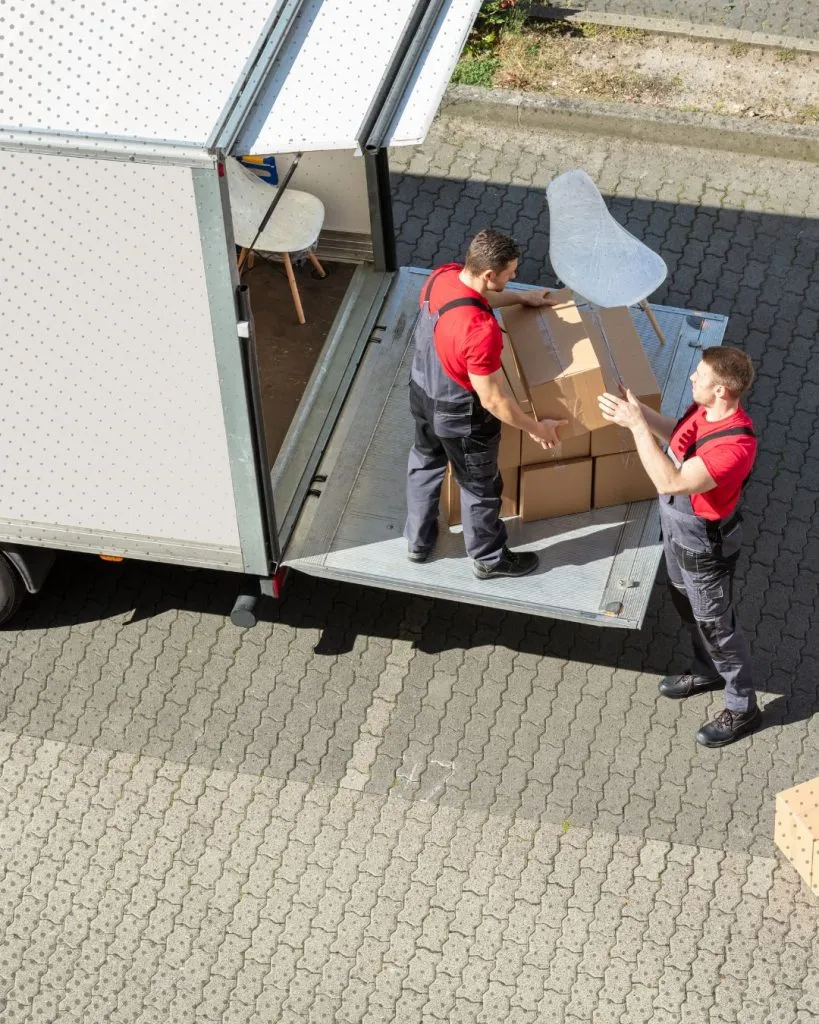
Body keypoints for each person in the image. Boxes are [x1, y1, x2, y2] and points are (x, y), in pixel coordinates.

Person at [597, 347, 759, 747]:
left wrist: (636, 428)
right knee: (685, 604)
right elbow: (678, 438)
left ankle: (742, 707)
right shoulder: (703, 411)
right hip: (677, 532)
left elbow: (671, 481)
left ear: (721, 389)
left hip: (704, 547)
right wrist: (639, 412)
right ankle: (706, 671)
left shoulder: (734, 447)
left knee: (717, 627)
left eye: (699, 375)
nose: (691, 378)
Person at [405, 229, 568, 579]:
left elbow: (471, 299)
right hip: (459, 415)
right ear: (489, 274)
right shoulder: (480, 331)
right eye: (510, 272)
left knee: (425, 462)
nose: (515, 276)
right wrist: (535, 428)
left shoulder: (442, 277)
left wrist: (521, 299)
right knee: (480, 486)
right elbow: (493, 400)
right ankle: (489, 558)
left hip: (421, 391)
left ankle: (417, 542)